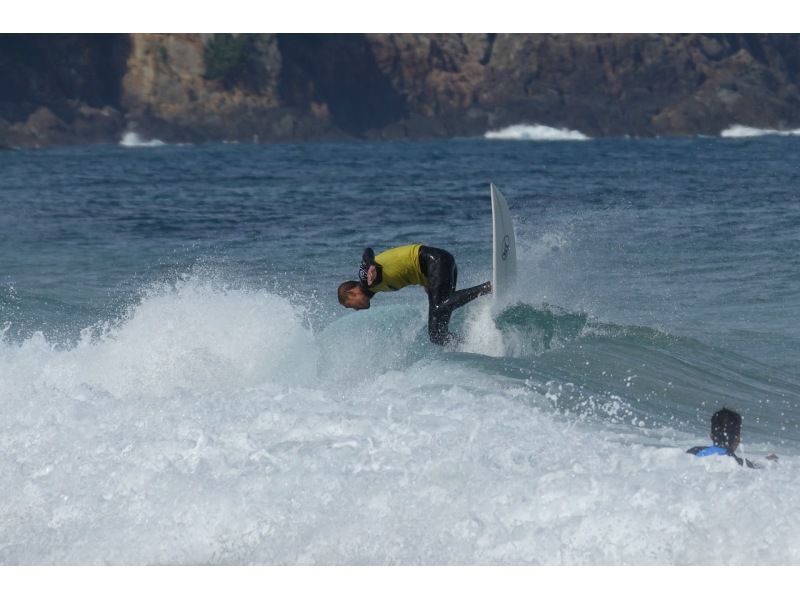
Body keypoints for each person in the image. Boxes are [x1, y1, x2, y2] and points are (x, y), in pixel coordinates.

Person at [338, 244, 492, 345]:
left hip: (435, 261)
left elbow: (367, 251)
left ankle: (489, 287)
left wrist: (370, 264)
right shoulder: (376, 288)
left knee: (439, 306)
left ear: (351, 293)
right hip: (434, 268)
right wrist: (426, 283)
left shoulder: (367, 279)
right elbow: (405, 269)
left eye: (350, 306)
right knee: (437, 335)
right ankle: (473, 343)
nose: (355, 310)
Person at [687, 407, 778, 468]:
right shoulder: (739, 463)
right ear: (737, 439)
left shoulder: (694, 451)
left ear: (711, 435)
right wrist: (766, 462)